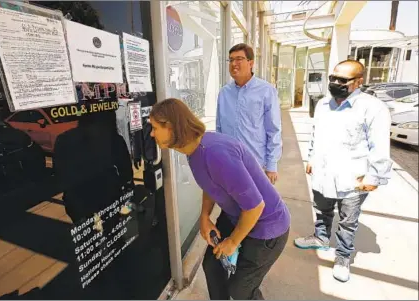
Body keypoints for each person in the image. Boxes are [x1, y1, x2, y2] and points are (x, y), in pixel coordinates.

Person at [150, 98, 290, 300]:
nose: (152, 134)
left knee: (241, 290)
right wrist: (205, 217)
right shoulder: (193, 151)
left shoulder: (215, 153)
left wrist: (233, 241)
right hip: (237, 215)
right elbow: (211, 185)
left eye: (155, 127)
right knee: (212, 266)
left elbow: (255, 207)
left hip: (267, 227)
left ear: (171, 127)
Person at [294, 60, 393, 282]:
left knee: (348, 221)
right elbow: (315, 135)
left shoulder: (372, 108)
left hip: (353, 178)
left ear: (358, 82)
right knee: (322, 210)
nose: (335, 83)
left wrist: (374, 176)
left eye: (342, 80)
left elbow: (380, 146)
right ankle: (320, 238)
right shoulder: (322, 105)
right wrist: (312, 157)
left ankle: (342, 257)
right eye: (333, 78)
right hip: (323, 172)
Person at [216, 43, 282, 184]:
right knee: (229, 205)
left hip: (256, 166)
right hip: (229, 165)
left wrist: (271, 166)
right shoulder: (224, 93)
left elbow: (273, 130)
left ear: (251, 63)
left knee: (256, 206)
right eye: (231, 60)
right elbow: (219, 129)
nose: (234, 64)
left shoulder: (266, 91)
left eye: (239, 59)